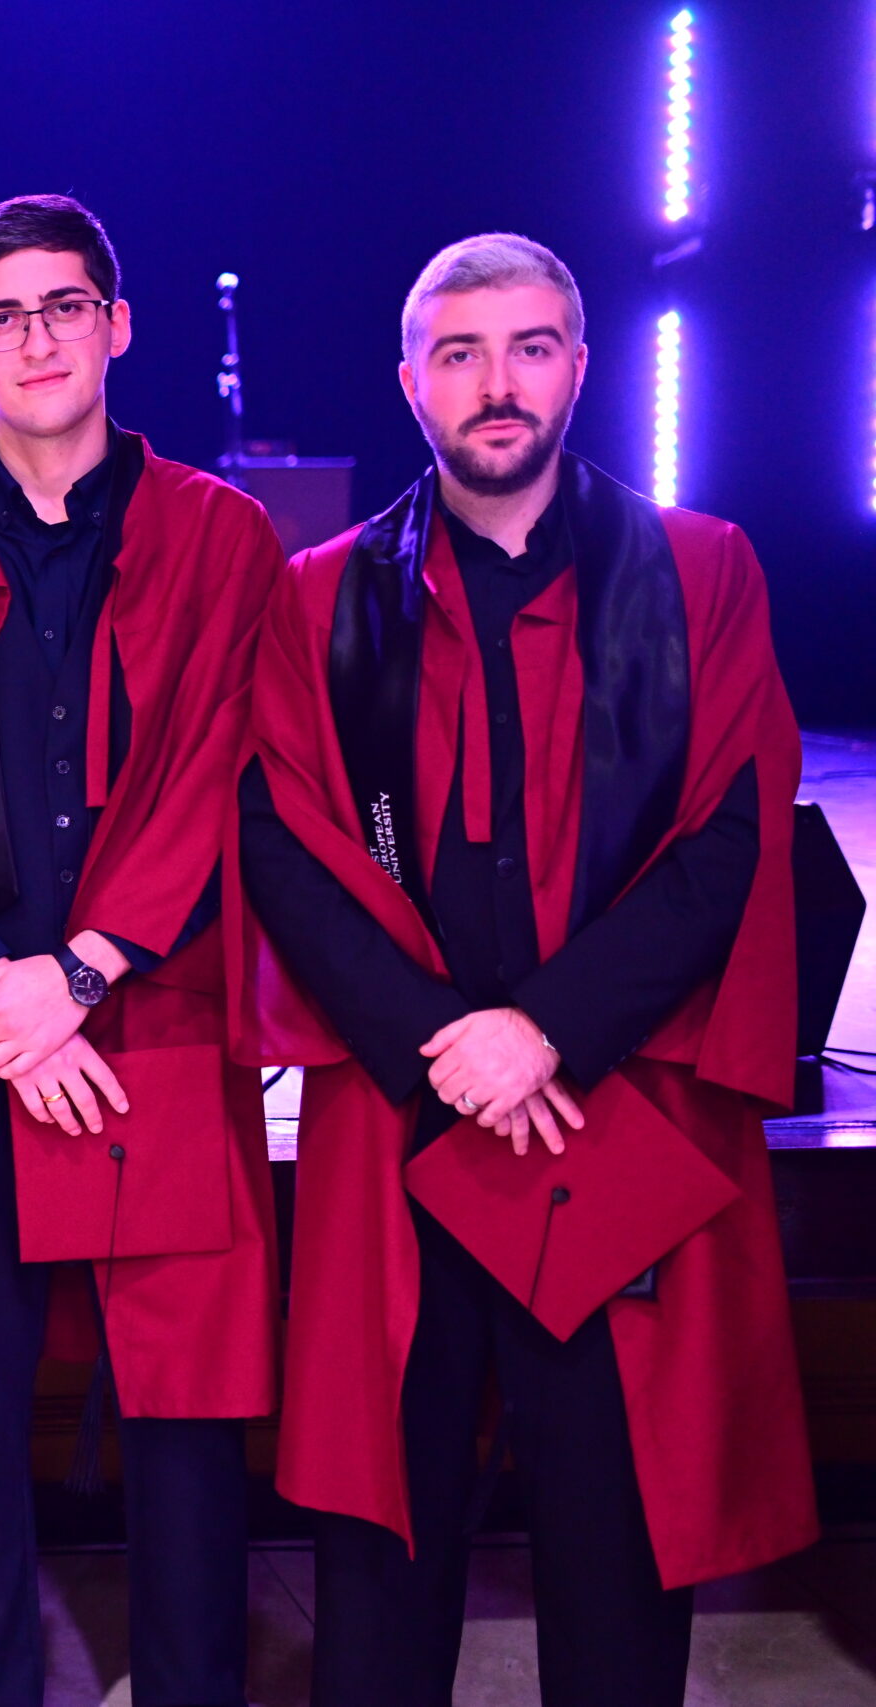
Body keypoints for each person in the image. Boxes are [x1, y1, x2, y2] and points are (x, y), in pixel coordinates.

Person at [236, 232, 816, 1705]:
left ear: (578, 367)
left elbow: (730, 837)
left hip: (609, 1114)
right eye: (461, 354)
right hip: (405, 1128)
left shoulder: (700, 572)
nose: (497, 384)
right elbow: (287, 848)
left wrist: (544, 1033)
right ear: (411, 382)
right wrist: (447, 1045)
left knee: (615, 1536)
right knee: (385, 1540)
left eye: (530, 349)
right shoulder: (318, 601)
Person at [0, 194, 282, 1707]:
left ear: (118, 325)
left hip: (151, 1004)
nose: (37, 340)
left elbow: (229, 764)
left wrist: (80, 972)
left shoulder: (221, 538)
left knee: (187, 1409)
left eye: (65, 306)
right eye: (5, 317)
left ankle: (194, 1685)